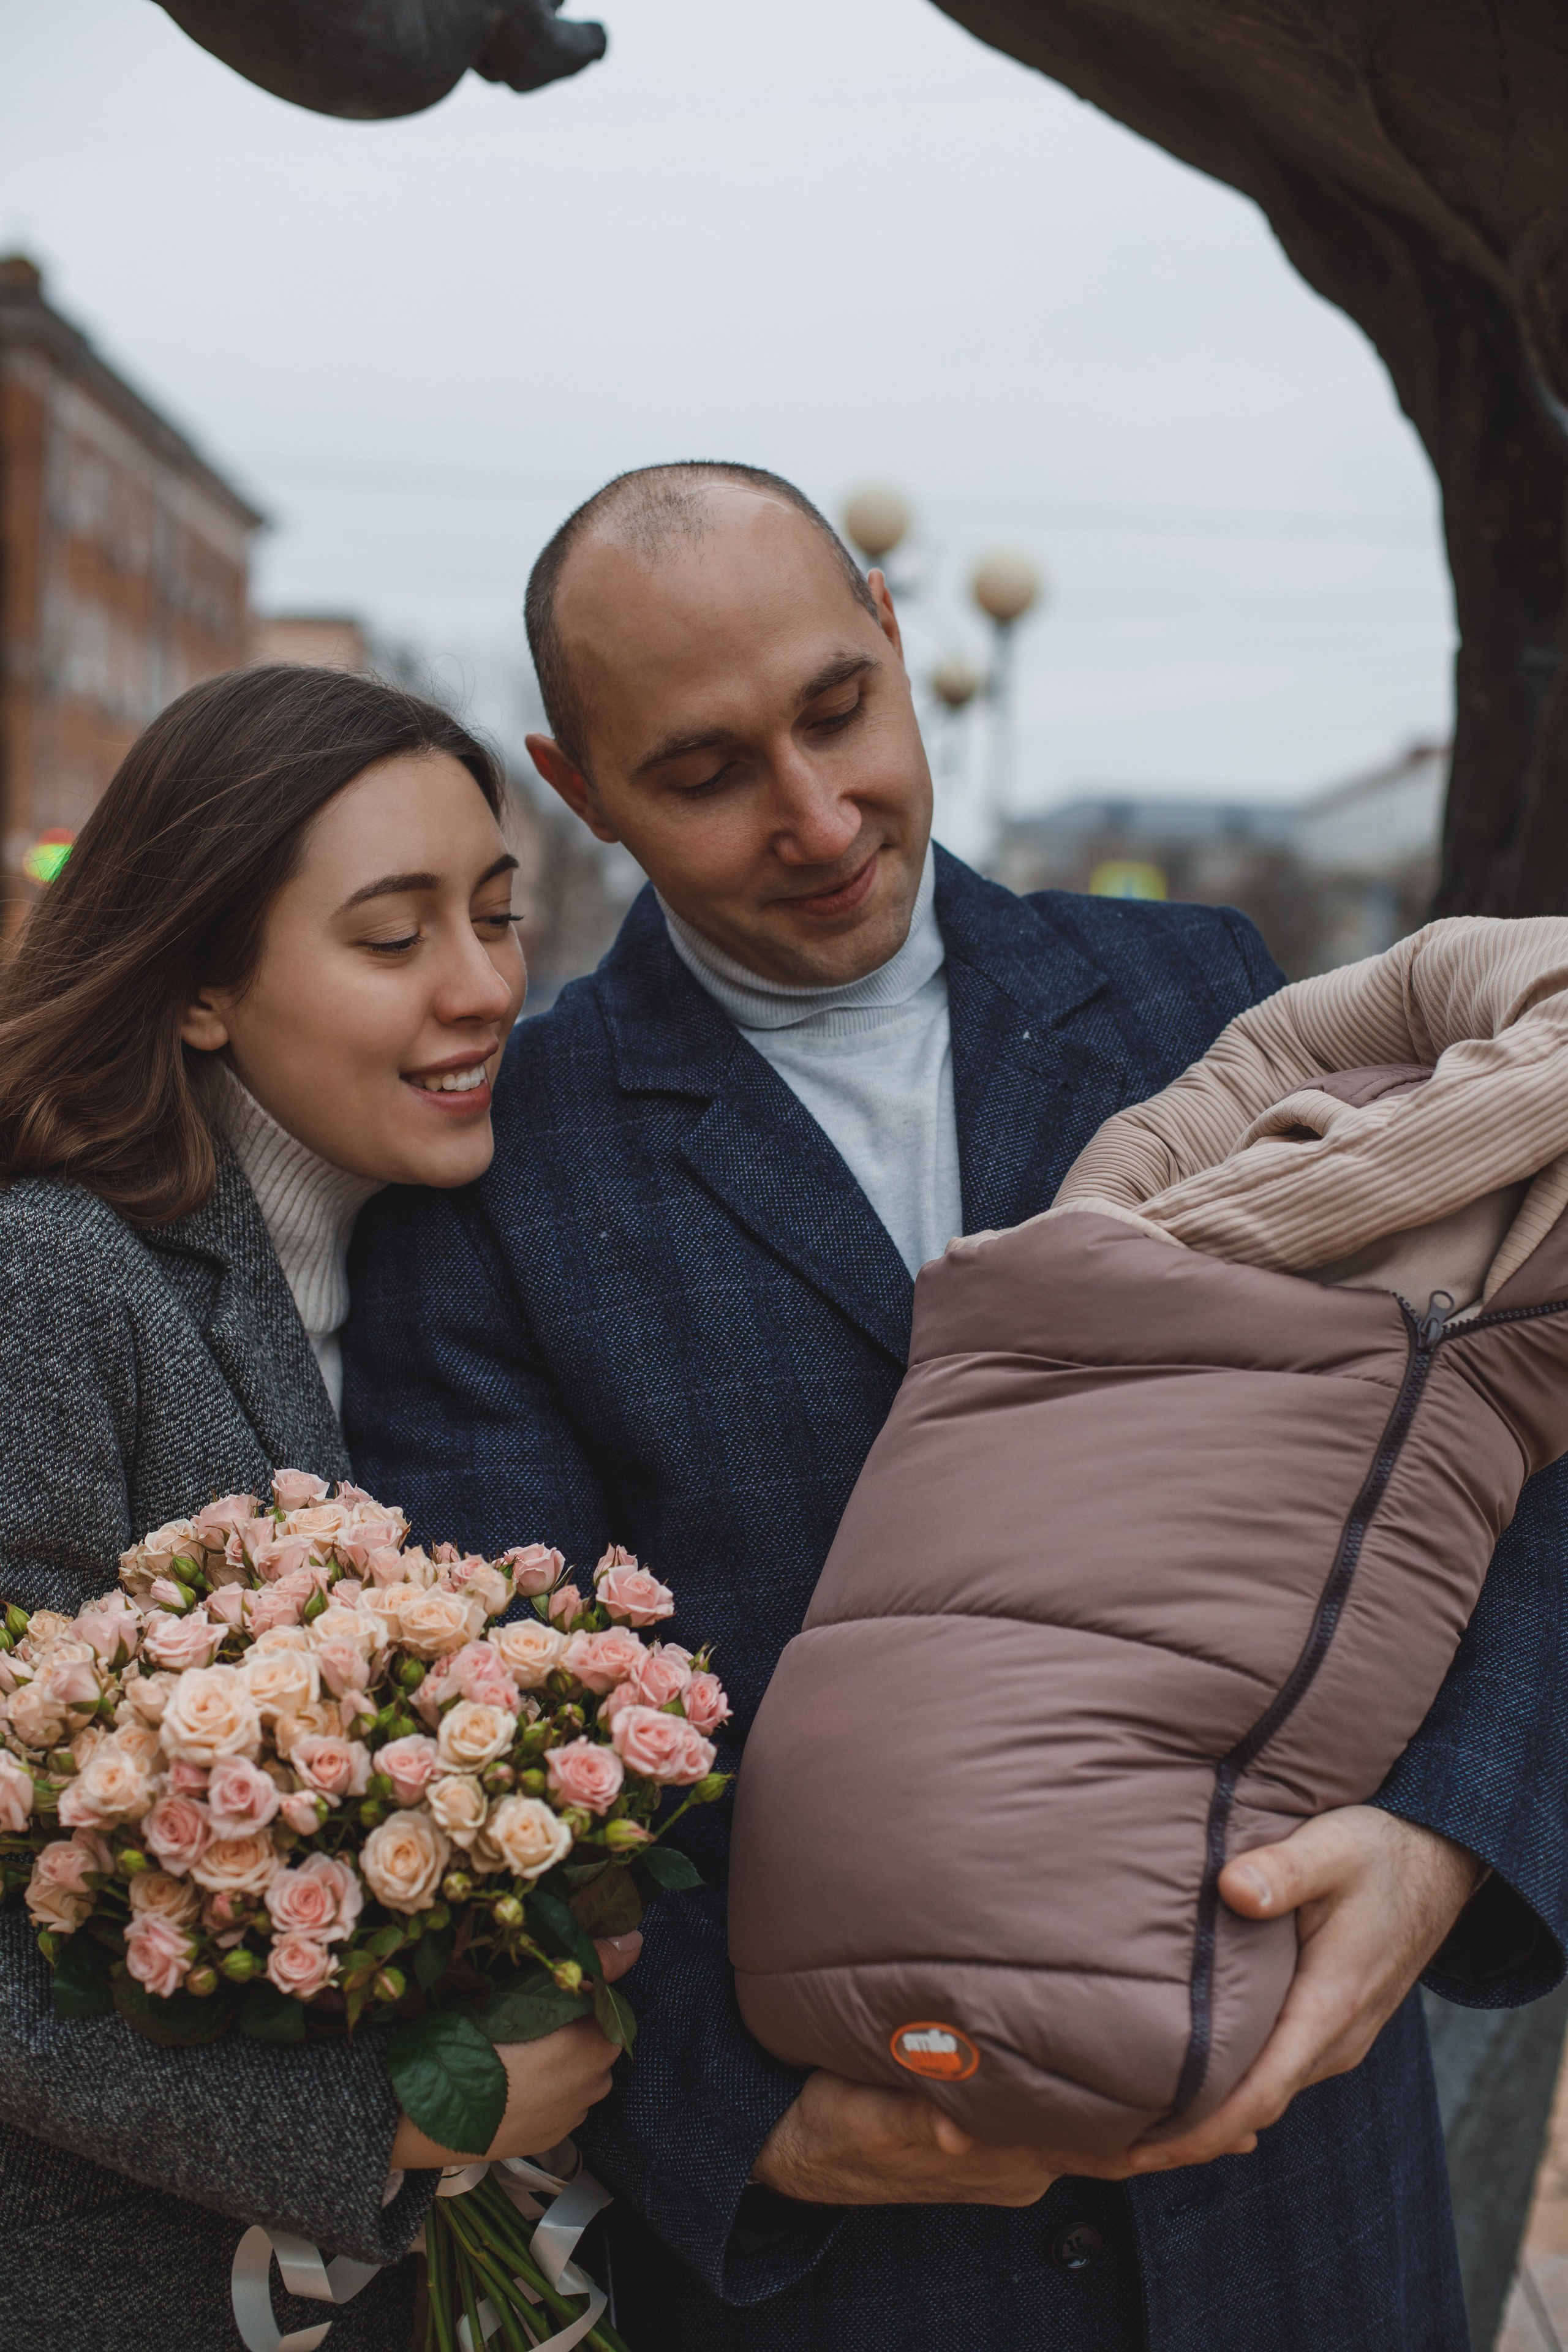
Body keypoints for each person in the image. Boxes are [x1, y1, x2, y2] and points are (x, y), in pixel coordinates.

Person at [345, 464, 1568, 2352]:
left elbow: (1506, 1435)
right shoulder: (495, 1178)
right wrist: (754, 2132)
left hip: (1303, 2224)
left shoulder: (1208, 992)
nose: (818, 816)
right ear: (579, 790)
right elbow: (508, 1767)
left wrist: (1446, 1839)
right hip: (867, 2279)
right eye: (706, 772)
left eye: (840, 710)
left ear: (896, 636)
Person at [0, 662, 636, 2352]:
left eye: (496, 916)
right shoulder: (52, 1280)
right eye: (394, 936)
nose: (483, 986)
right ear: (205, 982)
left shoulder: (444, 1266)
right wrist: (381, 2120)